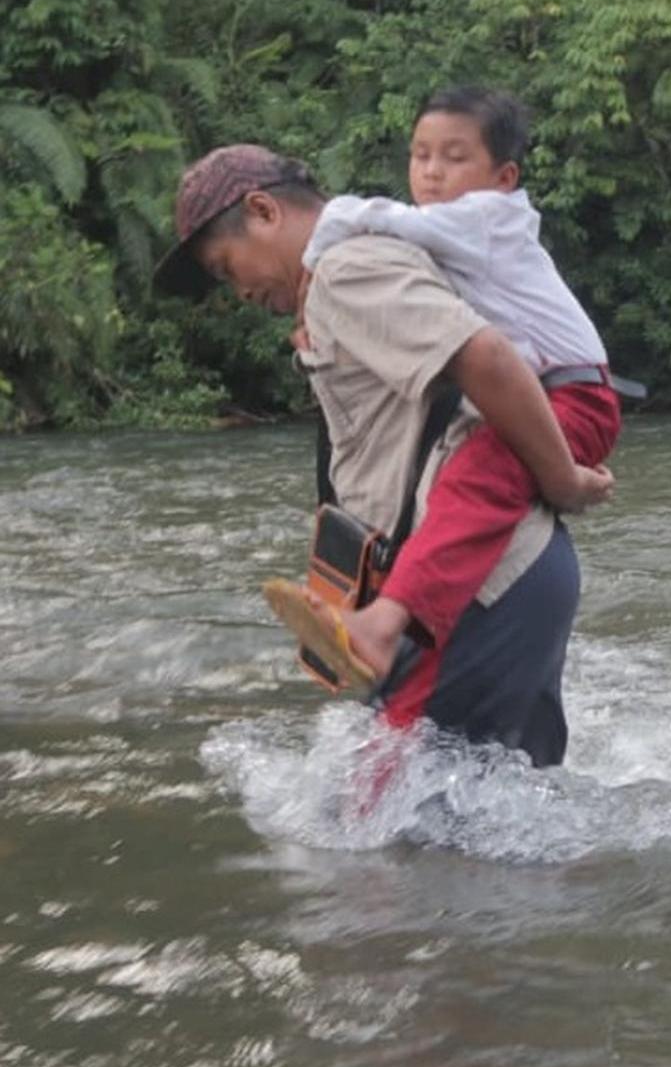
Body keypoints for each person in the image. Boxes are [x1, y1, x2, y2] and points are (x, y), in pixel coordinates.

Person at [154, 145, 588, 766]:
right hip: (491, 584)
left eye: (228, 268)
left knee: (400, 838)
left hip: (478, 592)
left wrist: (563, 480)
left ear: (263, 210)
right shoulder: (345, 275)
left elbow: (488, 357)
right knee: (488, 826)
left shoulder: (345, 272)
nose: (238, 291)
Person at [260, 86, 619, 696]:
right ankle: (385, 624)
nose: (430, 172)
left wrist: (312, 268)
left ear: (503, 178)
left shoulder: (484, 220)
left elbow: (362, 216)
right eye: (420, 154)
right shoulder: (451, 231)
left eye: (453, 158)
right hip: (544, 387)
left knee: (474, 478)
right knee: (471, 476)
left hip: (573, 395)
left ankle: (384, 622)